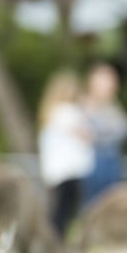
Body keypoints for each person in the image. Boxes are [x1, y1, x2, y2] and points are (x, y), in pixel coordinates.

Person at [38, 70, 92, 240]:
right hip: (68, 171)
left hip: (58, 173)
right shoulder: (66, 112)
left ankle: (55, 241)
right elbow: (86, 134)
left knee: (60, 210)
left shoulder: (52, 113)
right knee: (65, 212)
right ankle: (56, 242)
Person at [82, 61, 127, 206]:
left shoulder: (114, 107)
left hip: (114, 161)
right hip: (94, 163)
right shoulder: (85, 105)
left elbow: (124, 130)